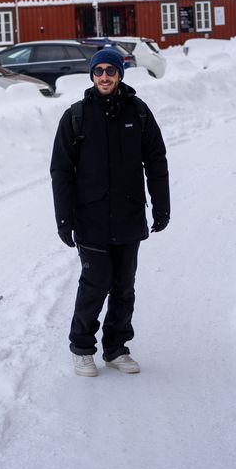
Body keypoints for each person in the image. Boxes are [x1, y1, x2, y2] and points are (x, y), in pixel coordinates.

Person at [50, 46, 170, 377]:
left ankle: (116, 347)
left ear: (120, 74)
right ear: (92, 75)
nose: (105, 76)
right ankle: (82, 348)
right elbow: (61, 170)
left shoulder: (139, 112)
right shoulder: (76, 116)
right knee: (95, 282)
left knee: (123, 286)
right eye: (99, 70)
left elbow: (156, 162)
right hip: (90, 217)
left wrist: (161, 206)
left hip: (129, 214)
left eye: (111, 71)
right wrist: (64, 217)